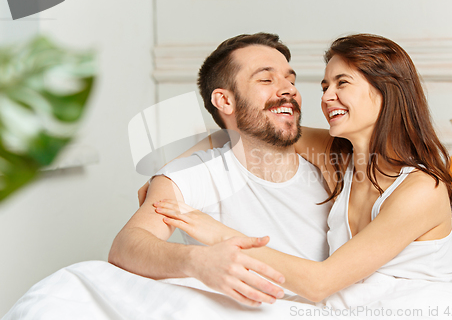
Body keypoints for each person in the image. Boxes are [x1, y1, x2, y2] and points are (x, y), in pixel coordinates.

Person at [152, 34, 452, 314]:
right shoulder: (339, 159)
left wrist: (216, 234)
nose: (327, 97)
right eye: (324, 85)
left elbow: (320, 282)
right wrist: (165, 177)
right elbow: (248, 129)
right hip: (355, 307)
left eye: (341, 83)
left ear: (386, 91)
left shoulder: (421, 189)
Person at [108, 33, 334, 307]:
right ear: (225, 101)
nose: (289, 89)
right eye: (266, 79)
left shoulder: (334, 163)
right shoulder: (194, 175)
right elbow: (126, 246)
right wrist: (195, 262)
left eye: (291, 79)